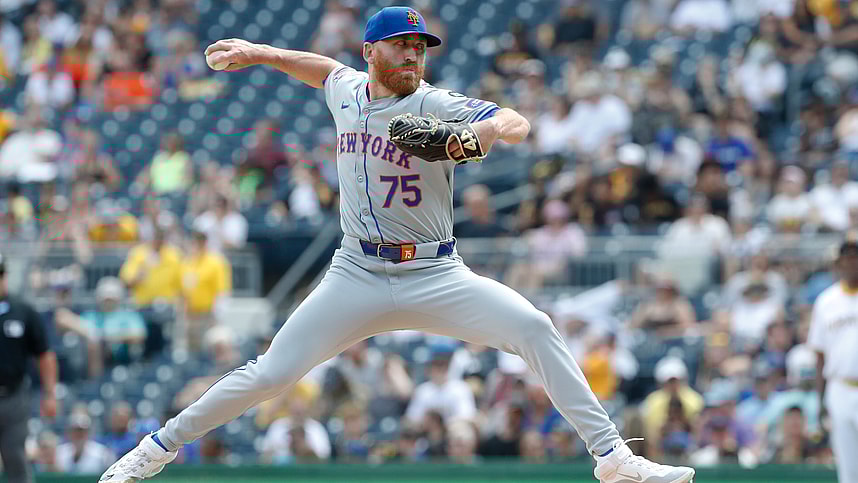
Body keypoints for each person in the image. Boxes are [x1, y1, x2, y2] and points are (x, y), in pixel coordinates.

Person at [101, 7, 695, 483]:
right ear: (371, 52)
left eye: (420, 46)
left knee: (536, 327)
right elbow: (318, 68)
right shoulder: (347, 91)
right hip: (355, 272)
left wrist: (476, 135)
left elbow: (516, 121)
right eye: (401, 45)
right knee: (270, 374)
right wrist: (259, 54)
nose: (413, 54)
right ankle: (155, 450)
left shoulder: (431, 104)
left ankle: (612, 456)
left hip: (436, 273)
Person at [0, 252, 58, 483]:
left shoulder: (23, 311)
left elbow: (44, 355)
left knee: (15, 455)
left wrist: (50, 394)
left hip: (14, 395)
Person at [808, 235, 858, 483]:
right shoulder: (826, 301)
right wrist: (821, 401)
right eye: (846, 259)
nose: (851, 263)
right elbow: (819, 355)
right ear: (838, 264)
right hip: (839, 387)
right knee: (848, 470)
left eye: (855, 258)